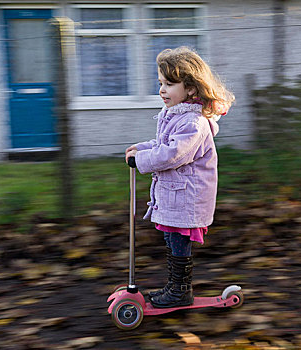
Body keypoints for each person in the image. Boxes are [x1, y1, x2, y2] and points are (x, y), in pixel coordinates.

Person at [125, 47, 234, 308]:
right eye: (161, 83)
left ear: (192, 89)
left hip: (187, 198)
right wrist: (141, 148)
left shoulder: (193, 123)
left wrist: (141, 160)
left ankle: (180, 291)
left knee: (178, 241)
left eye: (170, 84)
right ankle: (177, 287)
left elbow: (173, 154)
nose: (162, 90)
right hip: (176, 195)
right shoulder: (176, 115)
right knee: (172, 240)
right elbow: (162, 143)